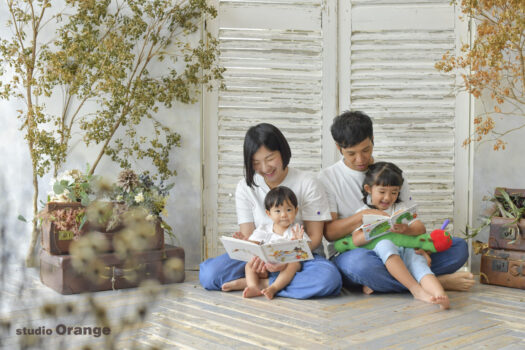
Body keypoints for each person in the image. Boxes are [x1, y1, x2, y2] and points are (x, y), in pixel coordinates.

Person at [318, 111, 474, 293]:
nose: (360, 159)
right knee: (359, 266)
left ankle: (392, 281)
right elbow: (330, 233)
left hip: (401, 248)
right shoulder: (327, 178)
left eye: (366, 150)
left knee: (458, 247)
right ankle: (436, 282)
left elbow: (409, 218)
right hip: (357, 252)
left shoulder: (391, 174)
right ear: (339, 147)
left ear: (373, 140)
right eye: (351, 153)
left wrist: (418, 246)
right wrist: (362, 216)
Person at [200, 123, 342, 299]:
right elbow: (250, 236)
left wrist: (282, 258)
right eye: (256, 163)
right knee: (209, 275)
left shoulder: (308, 183)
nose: (265, 168)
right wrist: (257, 256)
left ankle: (261, 284)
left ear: (282, 152)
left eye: (269, 159)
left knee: (329, 279)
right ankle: (279, 282)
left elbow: (314, 238)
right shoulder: (245, 187)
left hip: (300, 257)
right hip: (259, 255)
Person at [349, 162, 450, 309]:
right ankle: (416, 289)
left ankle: (440, 295)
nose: (387, 198)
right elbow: (356, 240)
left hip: (406, 249)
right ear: (368, 189)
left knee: (419, 263)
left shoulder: (400, 208)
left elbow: (420, 228)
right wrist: (376, 231)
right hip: (383, 258)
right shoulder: (364, 212)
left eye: (394, 192)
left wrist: (406, 229)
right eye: (382, 192)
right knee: (385, 245)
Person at [226, 186, 310, 300]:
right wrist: (244, 241)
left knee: (294, 264)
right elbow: (252, 244)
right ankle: (253, 286)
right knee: (250, 264)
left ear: (296, 211)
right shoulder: (264, 229)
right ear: (269, 213)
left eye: (289, 210)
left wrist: (298, 242)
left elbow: (304, 253)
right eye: (278, 211)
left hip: (285, 268)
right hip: (265, 268)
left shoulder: (296, 230)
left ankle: (274, 288)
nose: (284, 215)